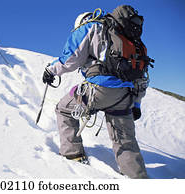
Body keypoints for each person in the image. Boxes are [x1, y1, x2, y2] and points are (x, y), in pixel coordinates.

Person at [42, 5, 153, 178]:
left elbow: (71, 59)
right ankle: (137, 178)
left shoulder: (90, 27)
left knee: (64, 109)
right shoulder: (129, 39)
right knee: (125, 140)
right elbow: (141, 76)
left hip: (100, 90)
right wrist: (136, 104)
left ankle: (73, 155)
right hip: (126, 95)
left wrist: (51, 71)